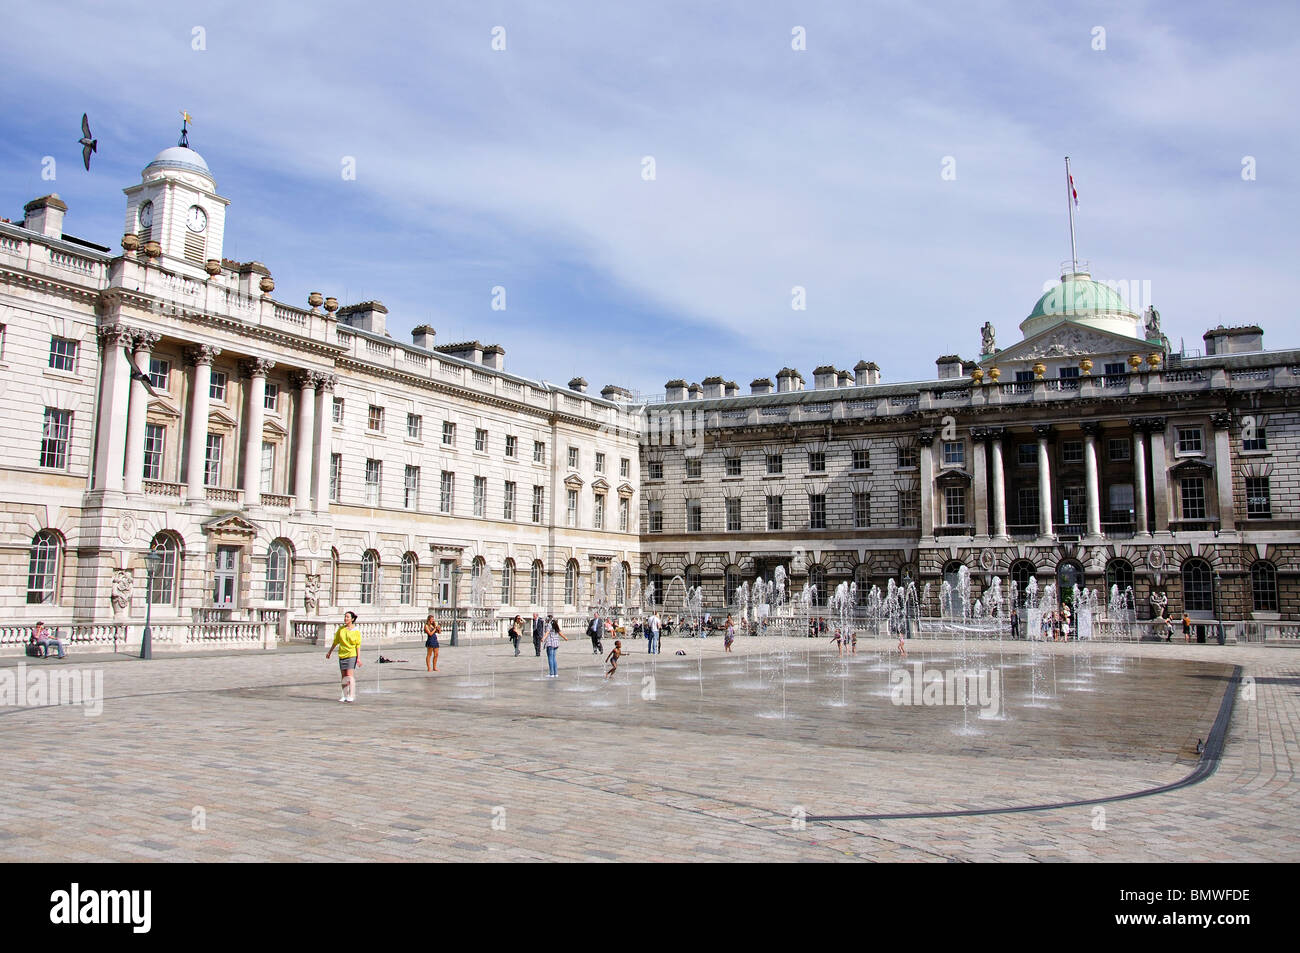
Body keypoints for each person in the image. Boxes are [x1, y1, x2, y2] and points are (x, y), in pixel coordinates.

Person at [326, 611, 362, 702]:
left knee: (349, 676)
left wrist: (358, 658)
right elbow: (336, 641)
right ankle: (344, 694)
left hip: (351, 655)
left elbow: (358, 645)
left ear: (352, 619)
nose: (345, 618)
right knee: (343, 676)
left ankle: (351, 694)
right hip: (342, 654)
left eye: (348, 617)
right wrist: (329, 652)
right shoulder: (341, 629)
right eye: (345, 617)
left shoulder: (356, 631)